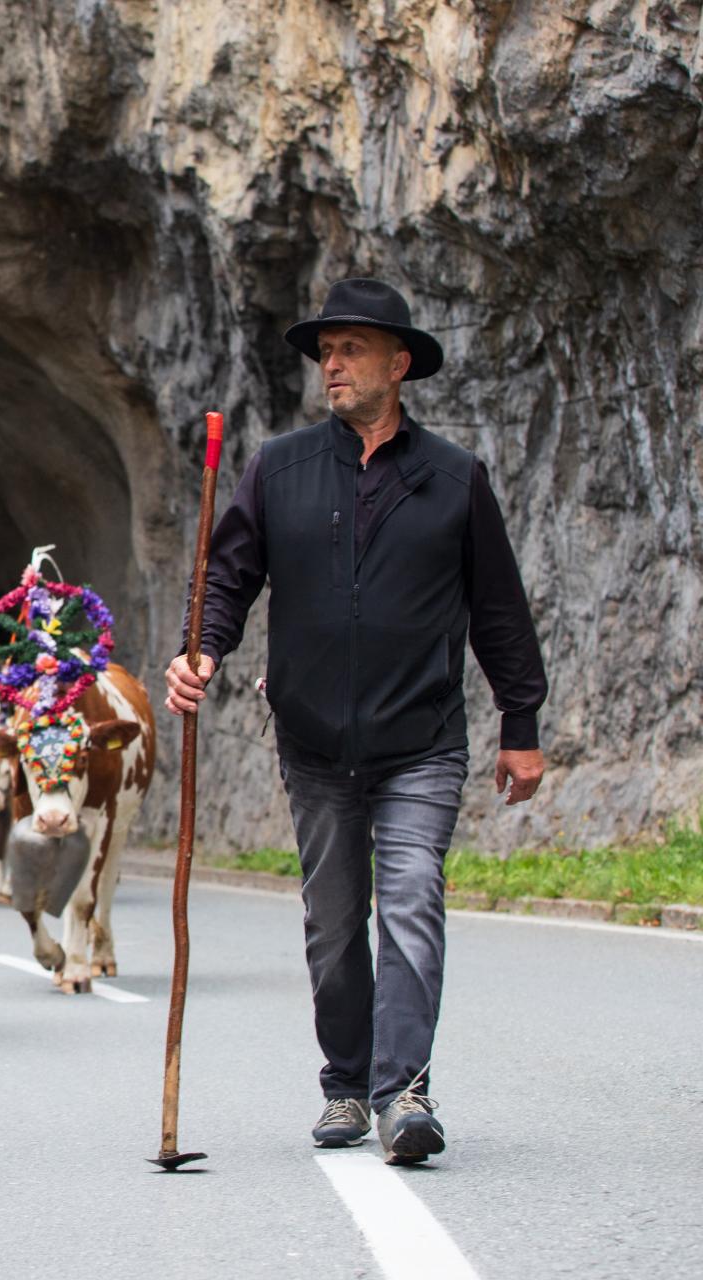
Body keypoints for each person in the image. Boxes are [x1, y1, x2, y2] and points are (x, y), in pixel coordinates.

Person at [163, 278, 548, 1166]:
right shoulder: (279, 468)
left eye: (350, 349)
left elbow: (498, 609)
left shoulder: (455, 479)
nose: (330, 364)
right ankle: (346, 1083)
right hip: (315, 740)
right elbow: (227, 577)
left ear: (399, 363)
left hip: (422, 741)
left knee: (411, 900)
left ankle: (403, 1093)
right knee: (336, 925)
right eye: (324, 351)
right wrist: (203, 652)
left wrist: (519, 723)